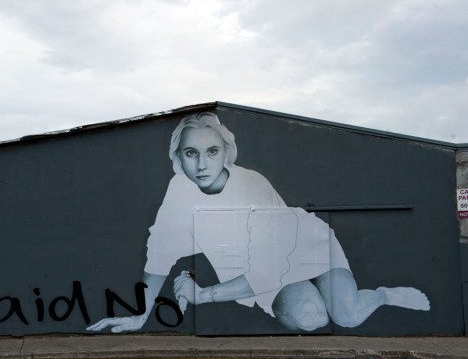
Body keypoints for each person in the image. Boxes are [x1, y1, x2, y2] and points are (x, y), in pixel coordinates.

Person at [87, 112, 430, 333]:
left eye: (212, 152)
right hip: (266, 269)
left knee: (347, 316)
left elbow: (265, 272)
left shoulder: (252, 186)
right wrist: (140, 316)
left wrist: (203, 295)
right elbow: (160, 252)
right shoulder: (179, 191)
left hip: (306, 246)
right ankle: (319, 297)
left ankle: (382, 295)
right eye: (192, 153)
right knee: (311, 316)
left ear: (227, 153)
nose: (202, 165)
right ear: (178, 157)